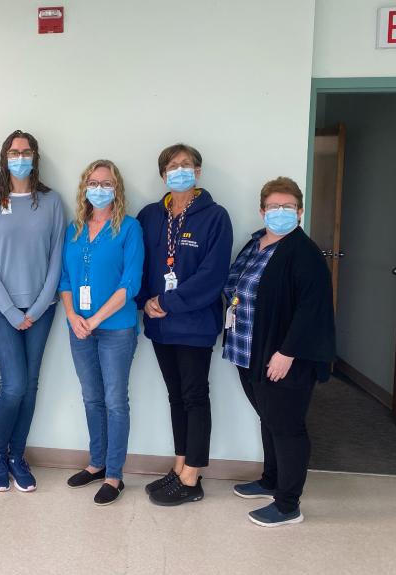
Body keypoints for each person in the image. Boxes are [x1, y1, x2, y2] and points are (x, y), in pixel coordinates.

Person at [223, 176, 334, 527]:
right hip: (248, 351)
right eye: (274, 206)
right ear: (262, 211)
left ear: (300, 211)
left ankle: (288, 505)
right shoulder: (255, 244)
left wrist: (287, 353)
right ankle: (271, 480)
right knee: (269, 418)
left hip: (284, 357)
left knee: (287, 426)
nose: (280, 212)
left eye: (288, 206)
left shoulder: (304, 252)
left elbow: (312, 309)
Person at [135, 143, 233, 506]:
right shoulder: (150, 215)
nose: (179, 170)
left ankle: (192, 477)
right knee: (175, 396)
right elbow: (138, 263)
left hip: (194, 324)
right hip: (160, 326)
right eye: (172, 166)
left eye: (186, 165)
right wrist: (145, 301)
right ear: (163, 174)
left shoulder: (215, 216)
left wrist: (166, 302)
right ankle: (179, 466)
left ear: (198, 171)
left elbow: (213, 275)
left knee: (194, 396)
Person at [0, 130, 65, 492]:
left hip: (42, 308)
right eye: (14, 152)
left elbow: (57, 256)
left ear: (35, 157)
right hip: (0, 309)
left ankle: (17, 456)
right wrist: (12, 311)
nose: (20, 157)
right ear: (4, 158)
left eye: (26, 152)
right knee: (13, 385)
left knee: (29, 386)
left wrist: (40, 306)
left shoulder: (52, 202)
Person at [60, 159, 143, 506]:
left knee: (115, 401)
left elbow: (130, 283)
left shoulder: (129, 228)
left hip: (116, 329)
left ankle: (114, 475)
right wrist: (72, 316)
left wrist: (94, 320)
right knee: (91, 397)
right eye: (93, 183)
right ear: (84, 188)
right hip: (78, 328)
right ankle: (96, 464)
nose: (99, 189)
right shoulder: (74, 229)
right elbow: (65, 279)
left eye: (106, 183)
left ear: (116, 188)